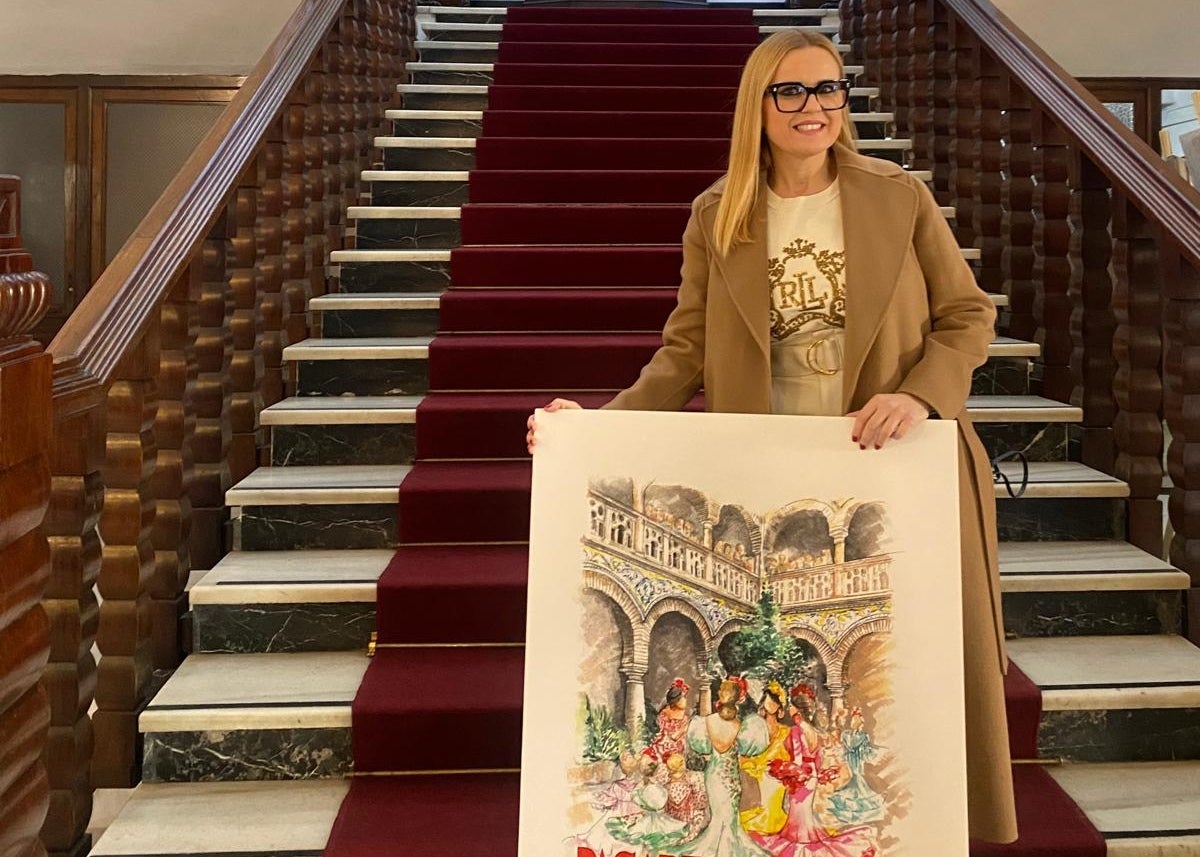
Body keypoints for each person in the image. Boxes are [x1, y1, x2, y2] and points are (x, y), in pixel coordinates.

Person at [526, 28, 1018, 843]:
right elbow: (684, 352)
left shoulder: (899, 195)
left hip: (891, 472)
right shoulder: (719, 216)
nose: (813, 107)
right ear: (758, 106)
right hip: (769, 488)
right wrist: (597, 430)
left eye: (828, 90)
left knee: (923, 680)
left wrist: (922, 394)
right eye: (790, 92)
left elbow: (969, 315)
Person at [753, 685, 875, 857]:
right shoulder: (814, 732)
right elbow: (817, 760)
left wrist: (788, 771)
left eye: (792, 707)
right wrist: (814, 775)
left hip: (800, 776)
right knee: (803, 819)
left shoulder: (796, 731)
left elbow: (796, 758)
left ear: (797, 710)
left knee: (799, 821)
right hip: (811, 776)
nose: (789, 709)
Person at [679, 678, 771, 857]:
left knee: (722, 816)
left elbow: (703, 748)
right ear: (738, 698)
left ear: (720, 695)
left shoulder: (706, 722)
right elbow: (747, 750)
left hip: (714, 775)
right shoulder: (743, 726)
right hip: (731, 779)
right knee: (727, 817)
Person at [645, 677, 692, 765]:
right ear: (675, 700)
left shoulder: (685, 717)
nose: (685, 701)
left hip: (680, 748)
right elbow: (672, 736)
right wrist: (685, 728)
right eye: (683, 698)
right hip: (665, 747)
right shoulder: (665, 714)